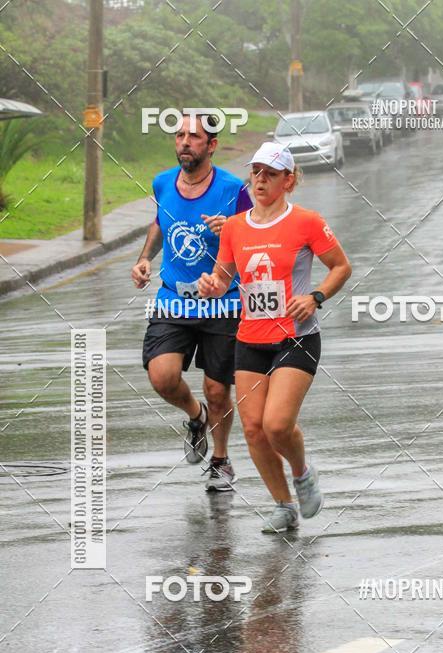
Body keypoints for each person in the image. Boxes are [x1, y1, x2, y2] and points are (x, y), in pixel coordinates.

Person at [197, 141, 352, 533]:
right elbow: (223, 275)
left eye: (270, 173)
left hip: (296, 338)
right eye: (256, 172)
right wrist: (213, 286)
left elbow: (341, 267)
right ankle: (283, 505)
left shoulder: (307, 222)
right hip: (250, 339)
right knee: (253, 429)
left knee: (277, 425)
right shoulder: (234, 227)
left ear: (288, 180)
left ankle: (302, 473)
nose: (260, 179)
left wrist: (316, 297)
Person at [131, 112, 252, 491]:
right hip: (174, 300)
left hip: (223, 303)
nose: (185, 141)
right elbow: (159, 221)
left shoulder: (234, 189)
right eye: (180, 135)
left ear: (211, 145)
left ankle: (220, 460)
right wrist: (144, 258)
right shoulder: (163, 181)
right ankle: (195, 415)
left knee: (218, 390)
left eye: (194, 136)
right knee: (162, 376)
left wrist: (232, 228)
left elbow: (255, 236)